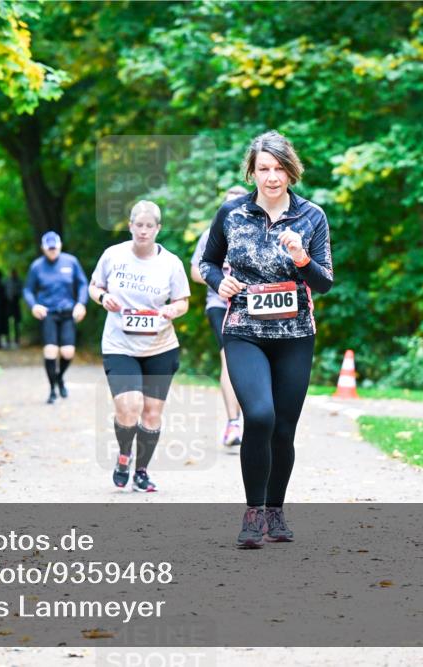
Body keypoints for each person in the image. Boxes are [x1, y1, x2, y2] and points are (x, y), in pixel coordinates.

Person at [199, 130, 333, 548]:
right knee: (259, 416)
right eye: (263, 169)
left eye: (278, 169)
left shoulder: (312, 217)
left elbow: (324, 282)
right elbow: (207, 261)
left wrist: (301, 259)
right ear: (252, 172)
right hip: (244, 330)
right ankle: (252, 513)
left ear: (290, 171)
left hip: (295, 334)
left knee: (283, 430)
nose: (271, 177)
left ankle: (276, 512)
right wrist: (220, 281)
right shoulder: (232, 213)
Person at [89, 200, 190, 493]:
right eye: (138, 225)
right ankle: (124, 456)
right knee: (128, 406)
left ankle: (142, 471)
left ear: (157, 229)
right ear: (130, 226)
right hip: (120, 344)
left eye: (149, 226)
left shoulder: (171, 263)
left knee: (151, 414)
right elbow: (94, 286)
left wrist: (174, 310)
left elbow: (183, 301)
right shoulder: (113, 255)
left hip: (161, 346)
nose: (143, 231)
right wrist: (101, 298)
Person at [191, 185, 249, 448]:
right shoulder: (210, 234)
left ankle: (255, 419)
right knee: (229, 358)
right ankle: (233, 422)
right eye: (228, 205)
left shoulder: (255, 230)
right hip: (220, 304)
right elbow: (195, 271)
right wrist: (220, 280)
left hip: (253, 305)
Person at [24, 232, 89, 404]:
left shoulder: (71, 262)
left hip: (68, 312)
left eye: (55, 248)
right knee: (51, 351)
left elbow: (83, 284)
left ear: (60, 246)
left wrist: (81, 303)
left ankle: (59, 378)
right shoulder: (37, 266)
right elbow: (28, 290)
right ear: (43, 248)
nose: (52, 251)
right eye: (49, 248)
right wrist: (34, 305)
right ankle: (52, 389)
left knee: (68, 352)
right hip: (48, 313)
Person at [4, 268, 24, 349]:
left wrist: (15, 295)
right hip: (8, 305)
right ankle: (8, 340)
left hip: (16, 304)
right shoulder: (7, 282)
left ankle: (16, 340)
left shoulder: (19, 282)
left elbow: (21, 292)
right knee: (7, 324)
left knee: (16, 324)